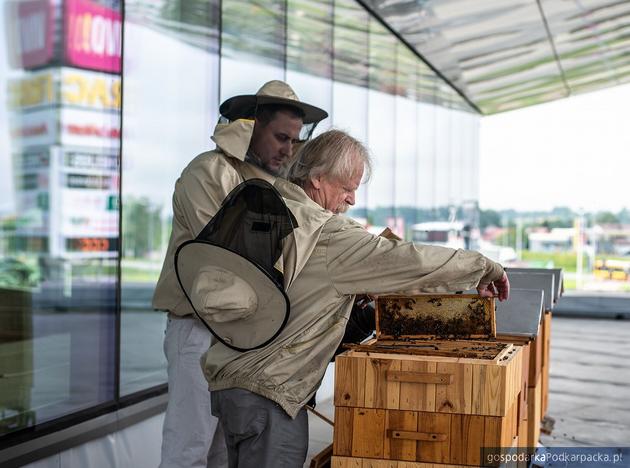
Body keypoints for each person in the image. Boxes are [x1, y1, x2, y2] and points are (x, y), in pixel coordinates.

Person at [200, 129, 510, 468]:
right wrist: (484, 268)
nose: (351, 200)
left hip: (229, 384)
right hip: (271, 394)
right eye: (347, 187)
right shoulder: (329, 235)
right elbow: (410, 261)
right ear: (317, 179)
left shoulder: (265, 209)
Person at [152, 81, 328, 468]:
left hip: (243, 336)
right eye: (281, 136)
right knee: (190, 446)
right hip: (199, 331)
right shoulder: (206, 172)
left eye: (294, 140)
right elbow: (221, 262)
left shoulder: (273, 183)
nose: (288, 149)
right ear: (250, 127)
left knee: (223, 452)